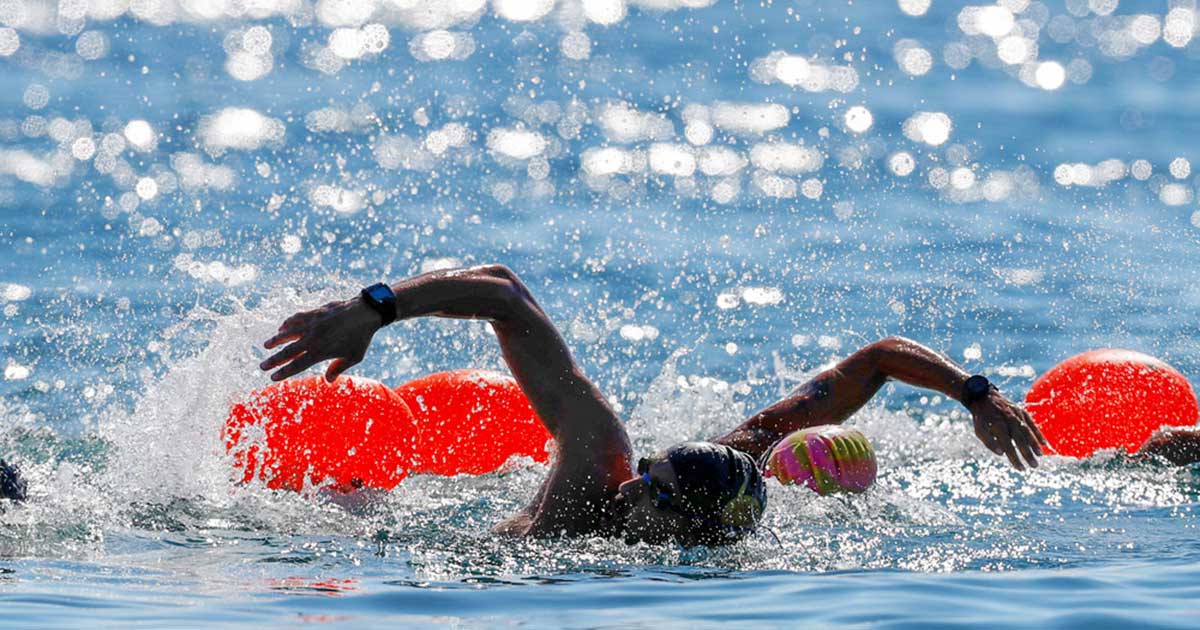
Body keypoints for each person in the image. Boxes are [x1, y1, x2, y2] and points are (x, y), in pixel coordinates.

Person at [260, 265, 1053, 546]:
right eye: (648, 466)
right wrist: (375, 309)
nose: (632, 479)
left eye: (653, 486)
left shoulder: (614, 536)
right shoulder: (603, 467)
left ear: (689, 529)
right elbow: (874, 361)